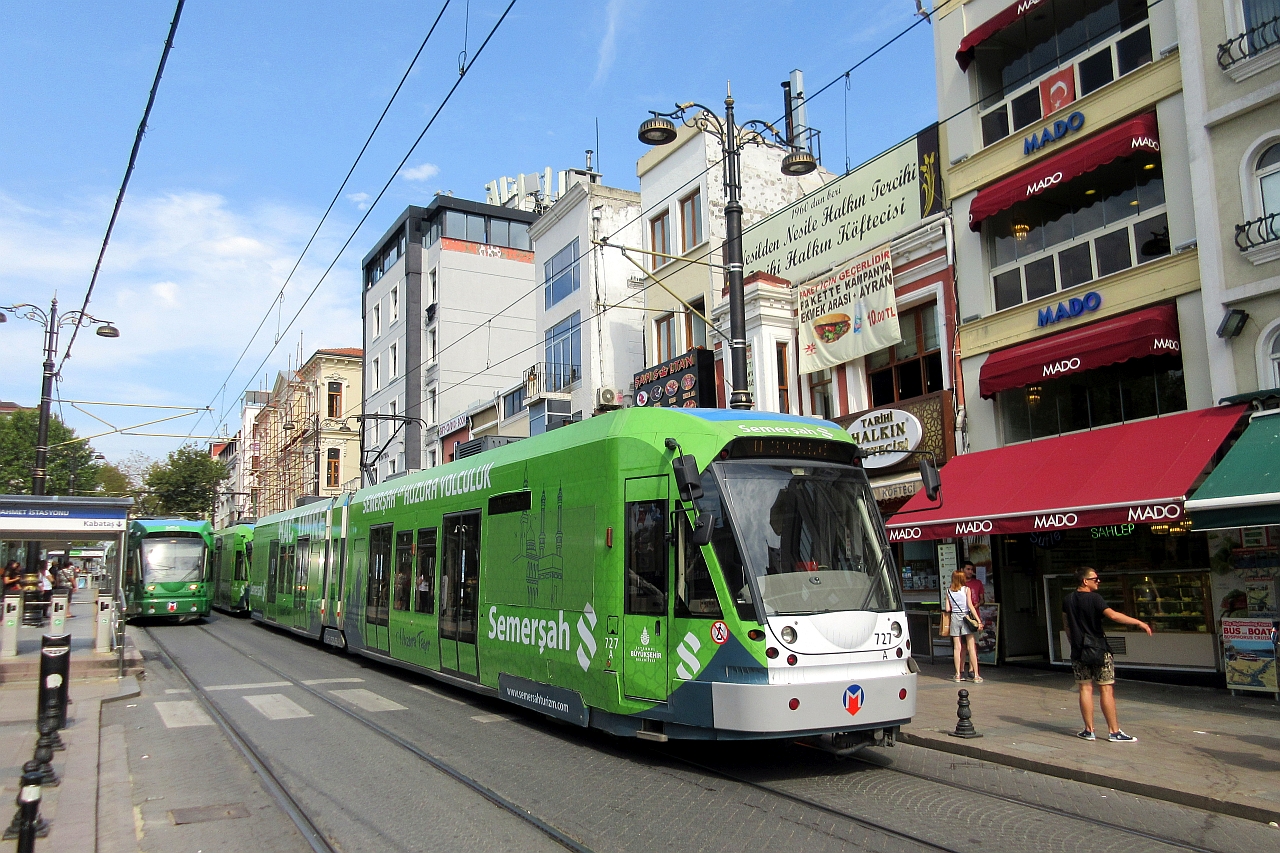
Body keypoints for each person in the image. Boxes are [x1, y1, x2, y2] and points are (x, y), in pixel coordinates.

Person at [1063, 566, 1152, 743]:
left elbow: (1066, 625)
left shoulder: (1068, 599)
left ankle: (1089, 730)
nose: (1098, 581)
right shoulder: (1095, 598)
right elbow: (1113, 616)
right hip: (1099, 649)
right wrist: (1139, 622)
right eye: (1095, 579)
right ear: (1085, 581)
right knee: (1106, 688)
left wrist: (1074, 643)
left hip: (1079, 651)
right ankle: (1114, 731)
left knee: (1085, 688)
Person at [946, 569, 984, 683]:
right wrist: (978, 621)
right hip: (966, 618)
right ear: (962, 579)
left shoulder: (948, 591)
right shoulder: (966, 589)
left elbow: (948, 608)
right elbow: (971, 606)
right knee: (971, 647)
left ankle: (958, 675)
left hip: (954, 618)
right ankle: (976, 675)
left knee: (957, 648)